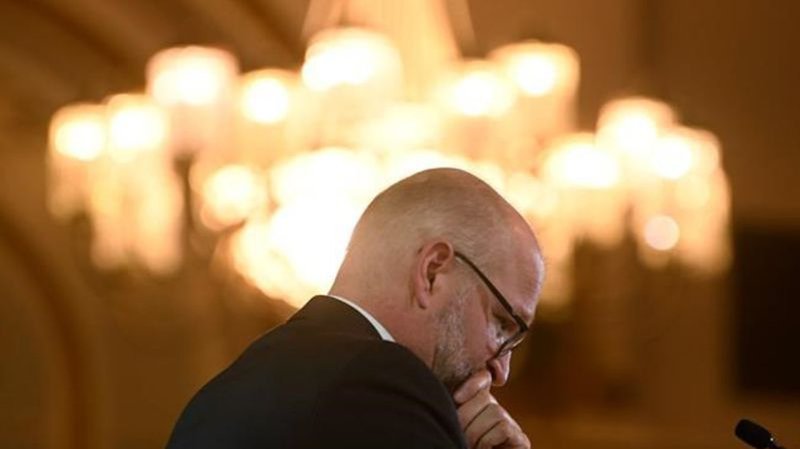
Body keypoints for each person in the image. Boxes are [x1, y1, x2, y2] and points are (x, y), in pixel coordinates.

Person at [165, 168, 545, 449]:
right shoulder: (384, 386)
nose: (502, 371)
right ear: (432, 272)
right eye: (502, 323)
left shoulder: (223, 393)